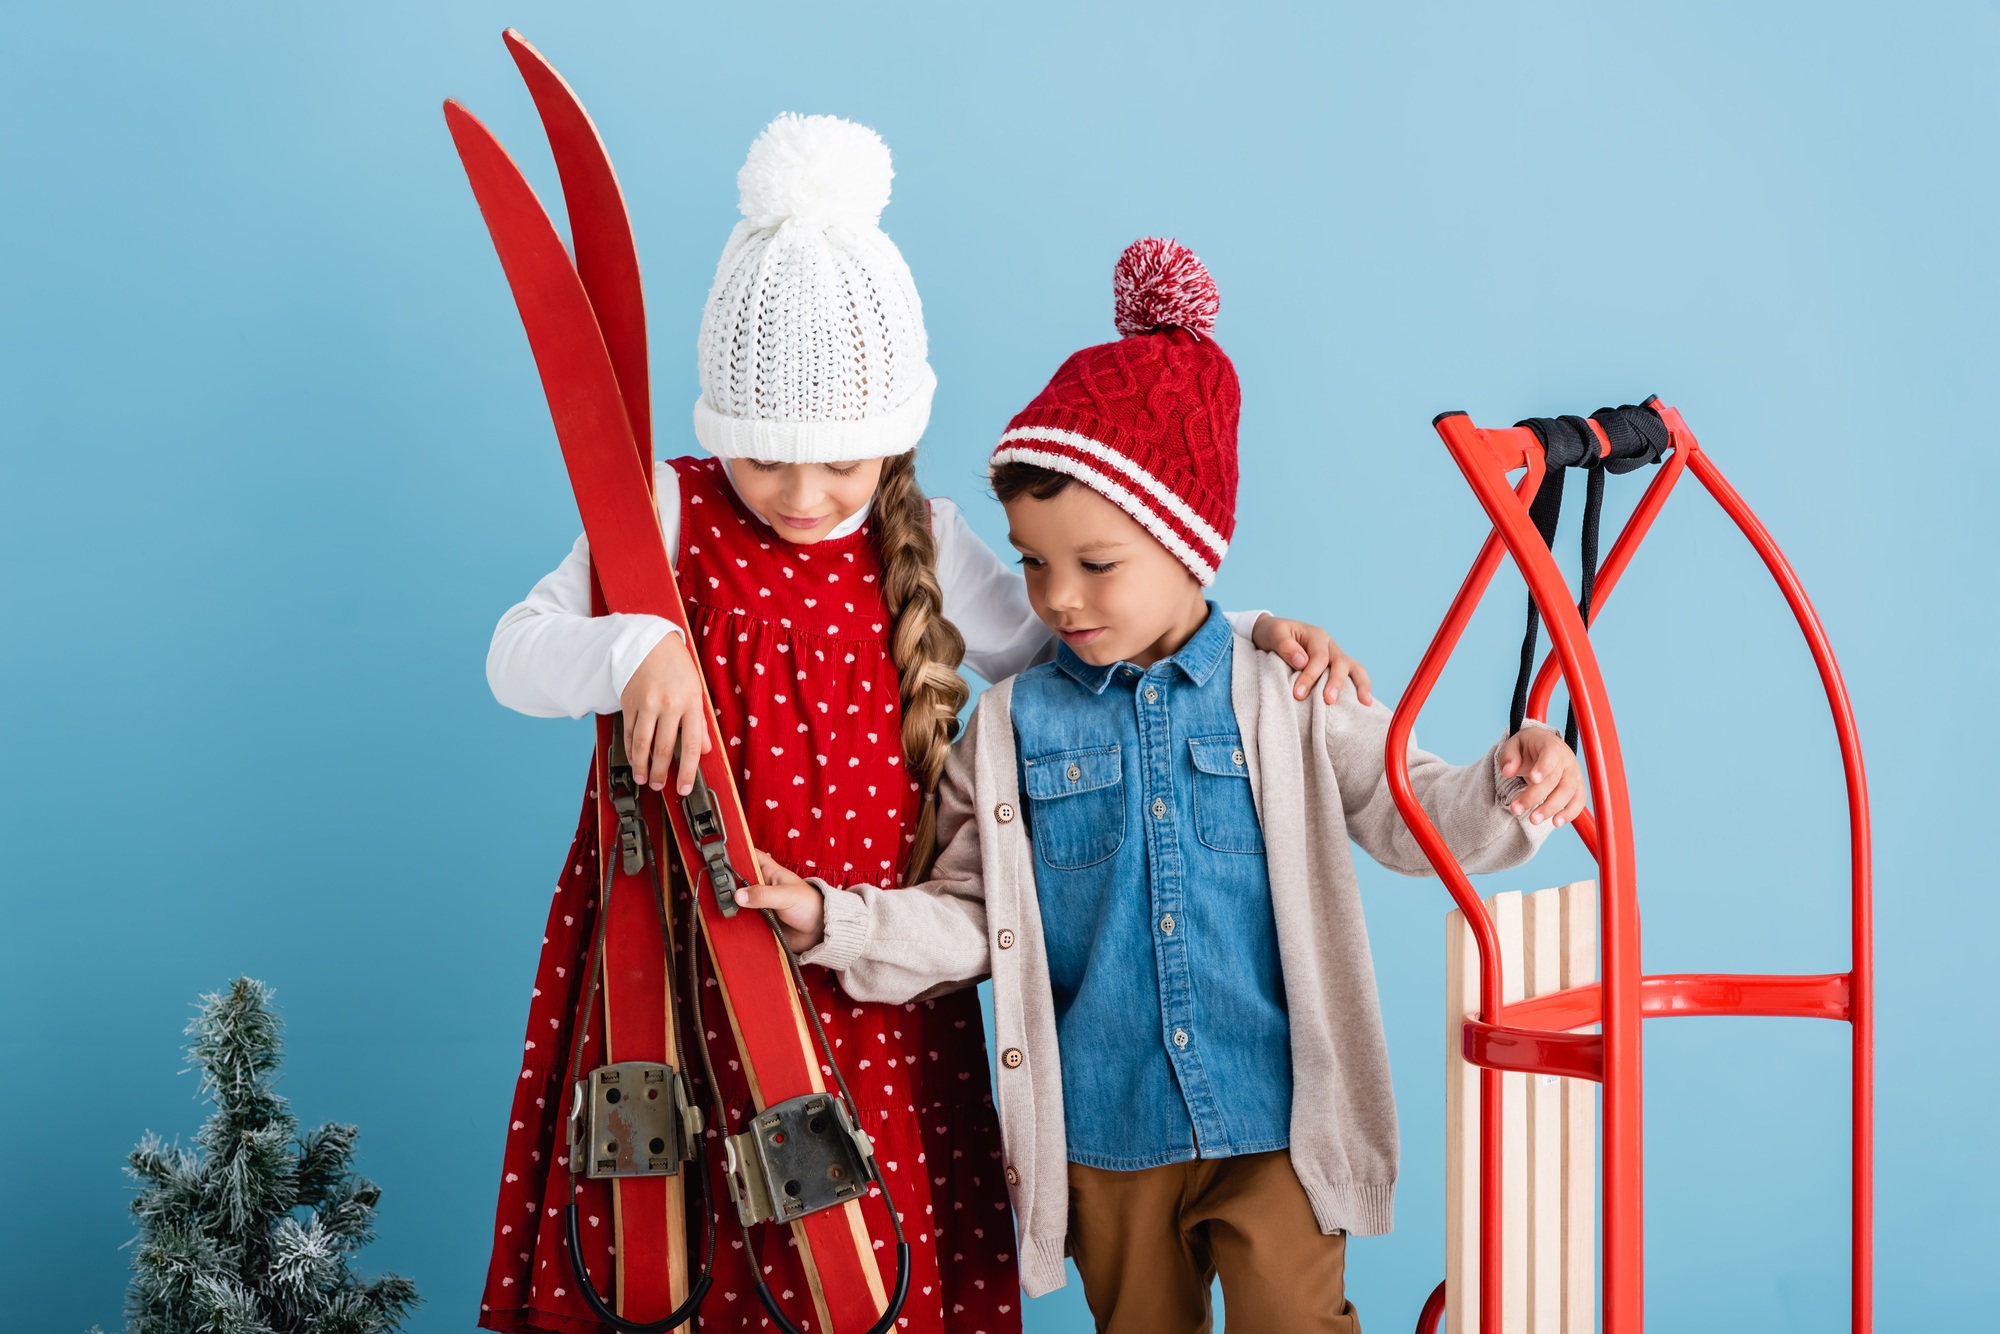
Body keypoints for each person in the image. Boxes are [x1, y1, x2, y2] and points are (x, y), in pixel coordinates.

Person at [478, 118, 1366, 1334]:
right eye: (764, 459)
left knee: (863, 1254)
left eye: (838, 462)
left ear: (894, 429)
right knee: (694, 1237)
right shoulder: (667, 513)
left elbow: (1091, 640)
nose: (801, 494)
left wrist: (1244, 629)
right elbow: (514, 654)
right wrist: (633, 649)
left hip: (879, 974)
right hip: (692, 957)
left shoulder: (929, 538)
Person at [739, 239, 1586, 1334]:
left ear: (1193, 548)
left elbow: (1408, 813)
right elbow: (972, 917)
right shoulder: (1005, 730)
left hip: (1276, 1124)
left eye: (1096, 564)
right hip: (1105, 1139)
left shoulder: (1286, 689)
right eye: (1032, 561)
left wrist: (1512, 780)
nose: (1057, 597)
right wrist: (836, 922)